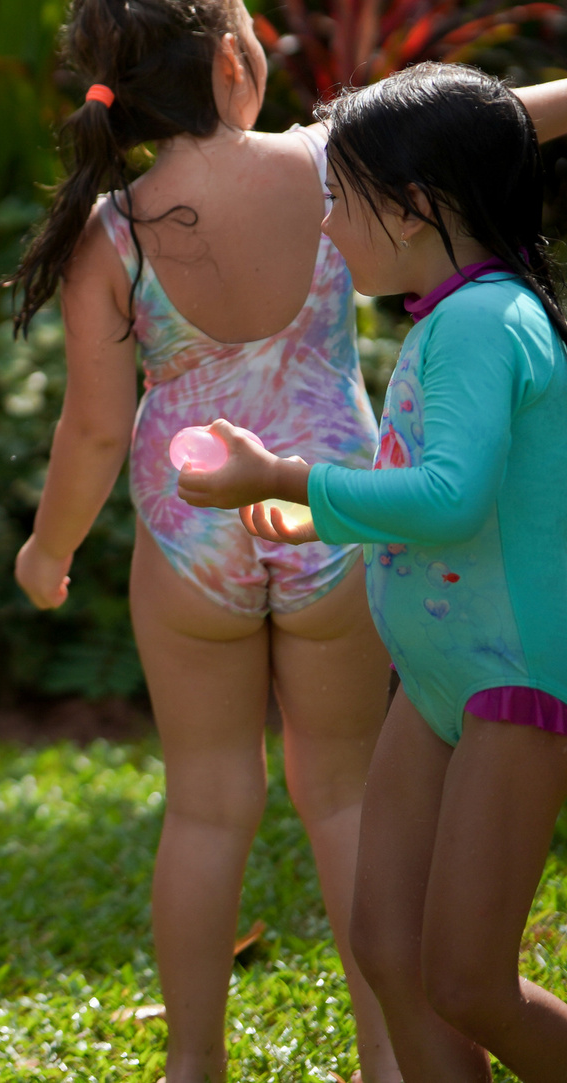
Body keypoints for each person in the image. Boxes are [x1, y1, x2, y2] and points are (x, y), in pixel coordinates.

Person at [4, 0, 397, 1083]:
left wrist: (47, 548)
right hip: (334, 515)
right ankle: (389, 1057)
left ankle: (192, 1066)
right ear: (235, 61)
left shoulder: (111, 234)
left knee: (209, 807)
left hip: (191, 541)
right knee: (346, 793)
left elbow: (88, 428)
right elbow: (500, 116)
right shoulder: (329, 166)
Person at [179, 62, 567, 1083]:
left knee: (470, 981)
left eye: (337, 201)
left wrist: (294, 474)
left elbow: (451, 498)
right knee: (391, 952)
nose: (324, 228)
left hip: (511, 684)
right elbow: (437, 501)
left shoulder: (486, 321)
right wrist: (317, 510)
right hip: (440, 680)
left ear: (412, 210)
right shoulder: (447, 316)